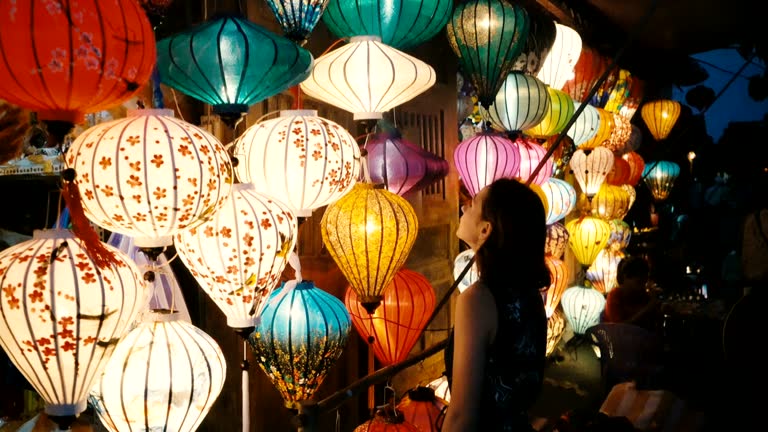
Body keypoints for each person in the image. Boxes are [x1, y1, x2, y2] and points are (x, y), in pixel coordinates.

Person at [441, 178, 550, 432]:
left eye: (474, 203)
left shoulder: (477, 301)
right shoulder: (529, 294)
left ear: (485, 230)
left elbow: (461, 416)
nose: (464, 208)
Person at [603, 256, 661, 333]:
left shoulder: (642, 295)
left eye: (644, 281)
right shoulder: (615, 296)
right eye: (638, 282)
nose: (642, 286)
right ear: (626, 277)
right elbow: (619, 328)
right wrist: (647, 309)